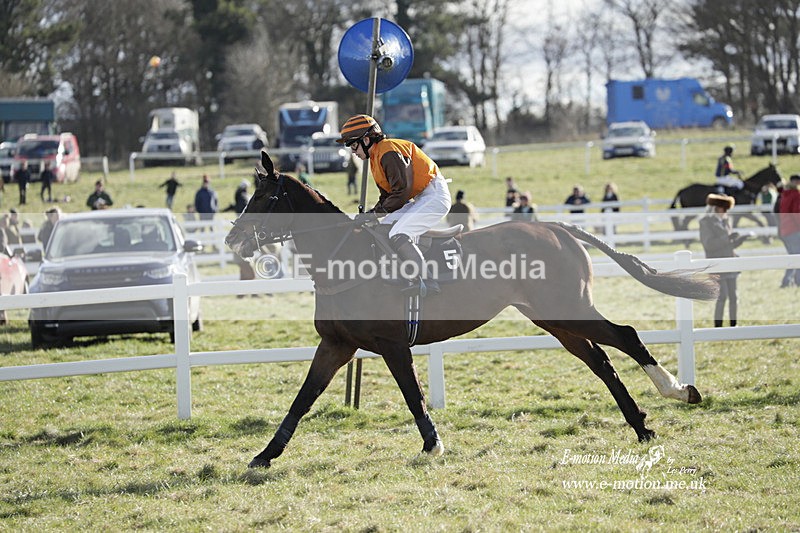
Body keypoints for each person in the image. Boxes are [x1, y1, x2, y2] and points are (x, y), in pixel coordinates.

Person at [337, 114, 452, 296]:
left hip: (434, 195)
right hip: (418, 197)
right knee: (382, 228)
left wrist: (373, 214)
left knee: (399, 233)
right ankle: (397, 273)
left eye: (353, 145)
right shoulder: (375, 158)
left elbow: (401, 193)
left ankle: (427, 280)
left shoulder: (388, 150)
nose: (353, 151)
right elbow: (388, 197)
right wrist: (371, 214)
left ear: (366, 139)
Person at [699, 193, 750, 327]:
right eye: (724, 208)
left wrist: (739, 240)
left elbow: (729, 244)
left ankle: (734, 325)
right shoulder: (706, 222)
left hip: (730, 261)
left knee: (734, 296)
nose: (726, 212)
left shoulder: (726, 220)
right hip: (717, 263)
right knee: (722, 296)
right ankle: (718, 326)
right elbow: (709, 244)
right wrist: (728, 238)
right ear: (716, 208)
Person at [778, 174, 800, 287]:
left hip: (785, 229)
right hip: (794, 229)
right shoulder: (796, 194)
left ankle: (787, 281)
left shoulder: (785, 194)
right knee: (797, 257)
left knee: (793, 257)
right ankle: (794, 281)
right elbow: (797, 213)